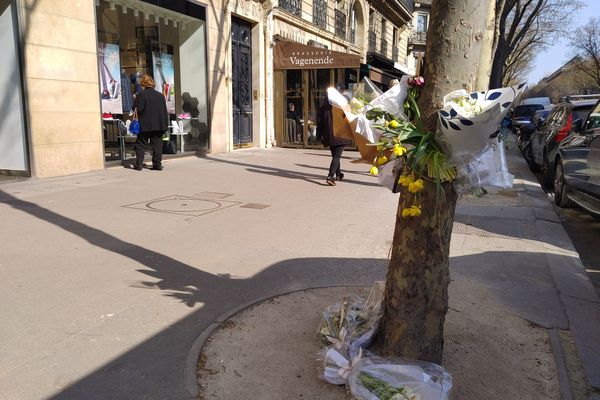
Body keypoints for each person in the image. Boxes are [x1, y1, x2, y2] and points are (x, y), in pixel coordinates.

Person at [133, 74, 169, 171]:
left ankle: (139, 164)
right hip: (158, 125)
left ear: (143, 84)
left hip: (145, 125)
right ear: (152, 84)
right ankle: (157, 165)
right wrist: (165, 125)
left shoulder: (141, 95)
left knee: (141, 144)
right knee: (157, 145)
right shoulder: (161, 96)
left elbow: (139, 109)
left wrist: (135, 102)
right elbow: (164, 111)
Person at [317, 91, 350, 186]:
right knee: (337, 156)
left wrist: (320, 135)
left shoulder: (323, 106)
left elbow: (319, 121)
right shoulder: (340, 105)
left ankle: (338, 174)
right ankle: (331, 176)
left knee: (335, 155)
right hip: (340, 134)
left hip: (329, 135)